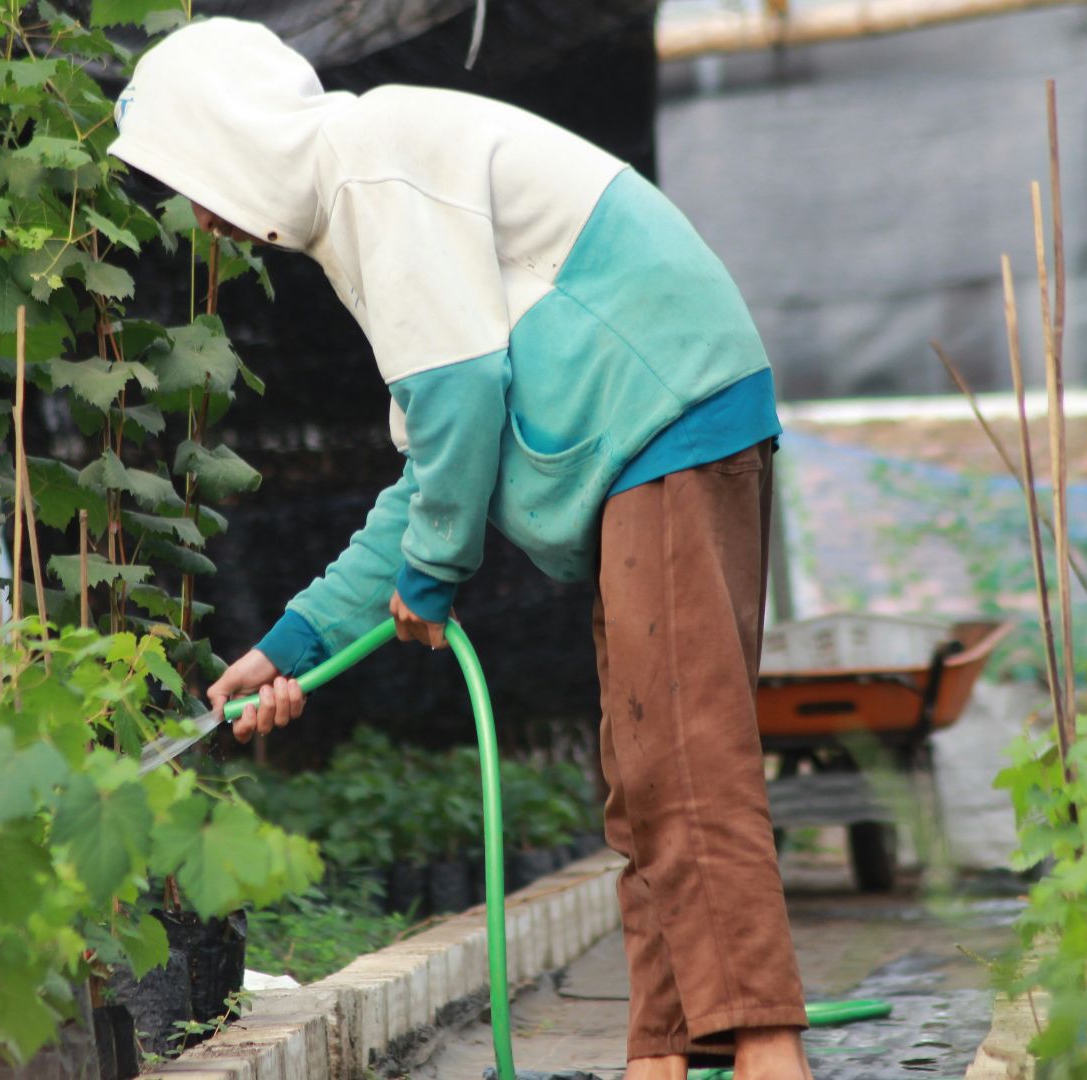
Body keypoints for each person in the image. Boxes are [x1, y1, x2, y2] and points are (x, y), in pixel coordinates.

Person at [109, 18, 811, 1080]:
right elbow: (429, 472)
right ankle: (661, 1054)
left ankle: (766, 1054)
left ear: (231, 139)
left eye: (192, 180)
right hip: (651, 434)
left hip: (665, 416)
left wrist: (433, 580)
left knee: (685, 756)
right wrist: (294, 641)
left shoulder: (370, 167)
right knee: (644, 774)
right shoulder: (367, 199)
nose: (202, 219)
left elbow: (462, 399)